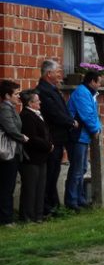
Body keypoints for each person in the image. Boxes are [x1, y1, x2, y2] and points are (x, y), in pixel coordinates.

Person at [36, 59, 78, 217]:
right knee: (50, 173)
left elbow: (61, 110)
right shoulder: (43, 91)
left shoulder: (52, 89)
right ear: (49, 74)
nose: (60, 74)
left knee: (54, 172)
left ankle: (52, 204)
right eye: (57, 72)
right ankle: (47, 207)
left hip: (60, 138)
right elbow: (54, 114)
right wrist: (70, 122)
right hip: (53, 138)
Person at [65, 71, 102, 211]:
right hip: (77, 136)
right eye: (98, 82)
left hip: (83, 136)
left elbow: (94, 114)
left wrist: (96, 128)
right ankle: (72, 200)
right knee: (77, 169)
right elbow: (87, 115)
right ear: (92, 82)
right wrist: (95, 129)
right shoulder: (82, 93)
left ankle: (80, 198)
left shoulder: (89, 93)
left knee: (82, 168)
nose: (99, 85)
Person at [18, 90, 53, 223]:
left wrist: (50, 143)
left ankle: (38, 215)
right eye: (37, 101)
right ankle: (27, 216)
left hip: (41, 157)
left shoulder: (37, 114)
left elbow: (46, 132)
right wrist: (48, 145)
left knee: (40, 187)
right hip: (31, 158)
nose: (40, 102)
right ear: (30, 103)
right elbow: (32, 137)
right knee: (30, 188)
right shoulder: (27, 116)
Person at [0, 80, 28, 226]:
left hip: (14, 151)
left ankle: (7, 217)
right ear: (7, 95)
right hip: (8, 153)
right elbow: (10, 129)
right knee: (7, 187)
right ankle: (6, 219)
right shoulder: (5, 108)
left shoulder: (10, 108)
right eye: (16, 94)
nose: (19, 96)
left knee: (9, 186)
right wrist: (22, 137)